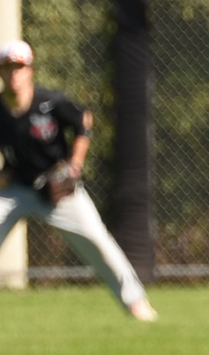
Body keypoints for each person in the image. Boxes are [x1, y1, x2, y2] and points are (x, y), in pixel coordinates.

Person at [0, 39, 156, 320]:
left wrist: (75, 163)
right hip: (17, 190)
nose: (14, 74)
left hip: (56, 188)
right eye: (9, 67)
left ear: (30, 70)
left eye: (20, 67)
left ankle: (135, 303)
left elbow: (83, 121)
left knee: (97, 240)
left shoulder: (50, 102)